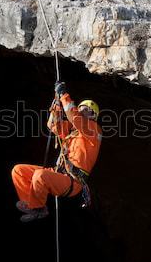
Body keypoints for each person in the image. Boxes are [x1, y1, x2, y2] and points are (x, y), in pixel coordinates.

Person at [11, 82, 102, 222]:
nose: (83, 111)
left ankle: (39, 209)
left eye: (87, 111)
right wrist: (57, 106)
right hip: (58, 172)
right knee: (18, 171)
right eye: (81, 108)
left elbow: (75, 118)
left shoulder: (94, 130)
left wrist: (64, 96)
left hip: (73, 180)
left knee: (40, 176)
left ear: (93, 116)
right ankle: (30, 204)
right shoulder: (72, 131)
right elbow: (52, 125)